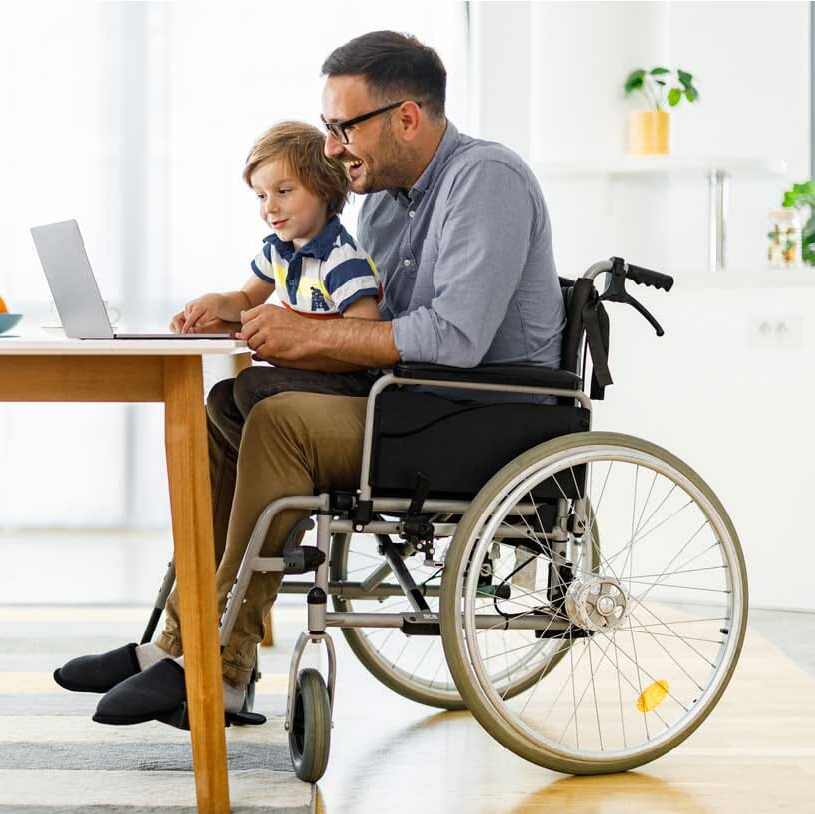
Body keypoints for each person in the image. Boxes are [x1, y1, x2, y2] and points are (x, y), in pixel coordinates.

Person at [54, 29, 566, 727]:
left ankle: (222, 663)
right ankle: (175, 642)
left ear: (406, 118)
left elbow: (454, 338)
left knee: (281, 423)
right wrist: (259, 319)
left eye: (342, 127)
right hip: (405, 402)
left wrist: (311, 335)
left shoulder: (487, 181)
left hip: (471, 415)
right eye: (326, 127)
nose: (330, 148)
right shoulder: (385, 200)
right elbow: (351, 314)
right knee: (223, 405)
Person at [169, 120, 384, 445]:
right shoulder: (278, 251)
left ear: (325, 189)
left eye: (283, 192)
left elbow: (365, 341)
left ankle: (293, 465)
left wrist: (295, 355)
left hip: (351, 381)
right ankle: (273, 466)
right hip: (310, 373)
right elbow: (246, 298)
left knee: (252, 385)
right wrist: (214, 306)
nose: (269, 207)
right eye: (260, 196)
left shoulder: (341, 258)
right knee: (220, 400)